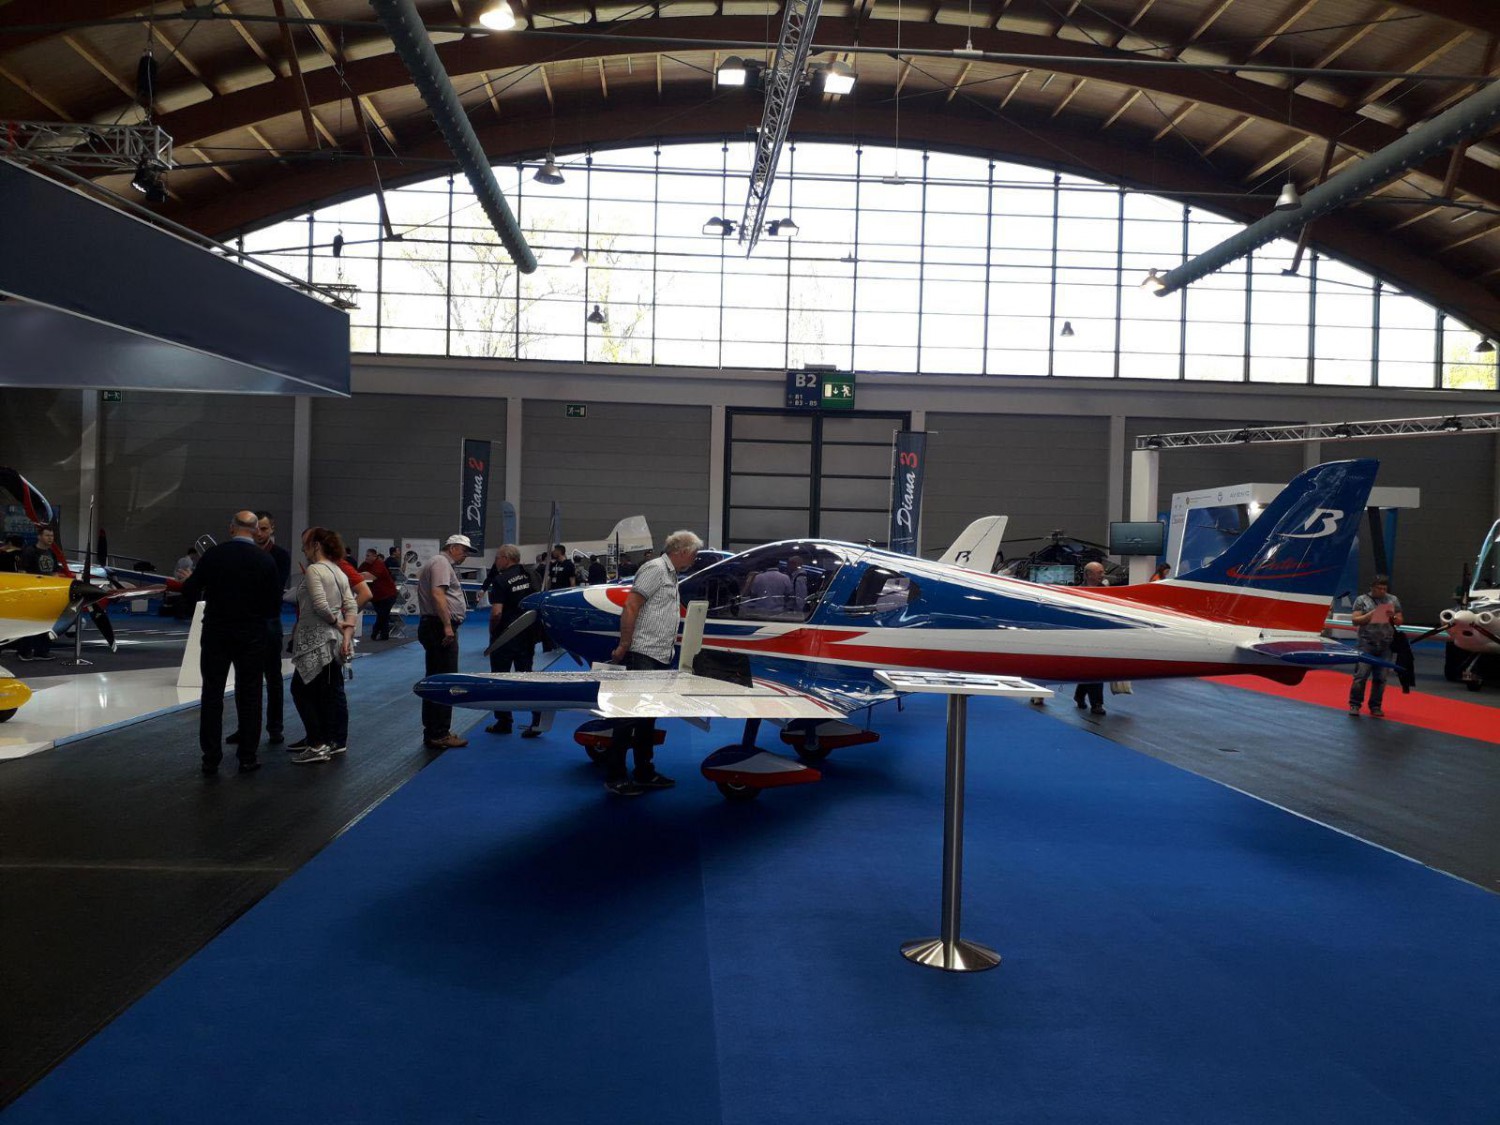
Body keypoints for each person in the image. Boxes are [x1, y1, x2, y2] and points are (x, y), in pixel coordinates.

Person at [179, 511, 282, 775]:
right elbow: (273, 605)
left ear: (232, 528)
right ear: (256, 530)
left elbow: (190, 590)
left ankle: (210, 757)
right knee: (250, 694)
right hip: (251, 634)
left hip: (217, 632)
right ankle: (247, 756)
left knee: (212, 694)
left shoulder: (214, 555)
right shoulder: (265, 560)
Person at [603, 530, 702, 796]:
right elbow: (631, 606)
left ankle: (644, 771)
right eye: (693, 554)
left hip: (659, 654)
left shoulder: (671, 573)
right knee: (629, 717)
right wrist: (624, 644)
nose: (694, 559)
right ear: (682, 551)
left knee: (647, 717)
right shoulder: (655, 569)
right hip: (643, 653)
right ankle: (615, 777)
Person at [287, 527, 358, 763]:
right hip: (334, 642)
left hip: (316, 641)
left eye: (306, 544)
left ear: (316, 545)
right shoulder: (338, 571)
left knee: (301, 691)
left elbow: (319, 605)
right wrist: (346, 635)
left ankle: (317, 744)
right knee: (326, 692)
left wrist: (337, 624)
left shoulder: (315, 570)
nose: (303, 549)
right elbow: (351, 606)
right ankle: (327, 740)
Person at [226, 511, 293, 750]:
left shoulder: (280, 555)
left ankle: (275, 727)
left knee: (273, 677)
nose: (260, 533)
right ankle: (244, 727)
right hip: (246, 621)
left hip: (269, 622)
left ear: (272, 529)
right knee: (244, 678)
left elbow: (275, 588)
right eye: (257, 529)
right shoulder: (243, 553)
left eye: (264, 529)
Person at [417, 534, 473, 750]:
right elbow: (438, 594)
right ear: (453, 548)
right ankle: (439, 733)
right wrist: (447, 625)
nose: (466, 555)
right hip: (439, 627)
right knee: (445, 680)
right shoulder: (441, 563)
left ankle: (434, 731)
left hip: (435, 626)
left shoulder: (439, 563)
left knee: (436, 678)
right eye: (464, 551)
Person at [484, 544, 541, 736]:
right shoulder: (531, 575)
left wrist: (493, 632)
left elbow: (496, 613)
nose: (496, 561)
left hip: (505, 637)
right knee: (527, 678)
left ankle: (504, 721)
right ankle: (537, 720)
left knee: (499, 679)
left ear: (506, 558)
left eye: (497, 558)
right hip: (527, 633)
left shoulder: (500, 580)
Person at [1349, 574, 1403, 718]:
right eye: (1379, 588)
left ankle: (1375, 706)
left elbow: (1399, 621)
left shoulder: (1393, 600)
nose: (1382, 591)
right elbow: (1355, 620)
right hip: (1366, 643)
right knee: (1361, 676)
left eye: (1384, 588)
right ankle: (1355, 704)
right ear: (1372, 588)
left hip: (1386, 644)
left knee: (1381, 678)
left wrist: (1393, 617)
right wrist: (1372, 614)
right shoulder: (1362, 600)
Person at [16, 527, 67, 661]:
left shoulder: (52, 554)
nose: (50, 538)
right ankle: (24, 651)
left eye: (52, 536)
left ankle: (42, 650)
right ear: (39, 536)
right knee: (29, 623)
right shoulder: (29, 551)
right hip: (32, 593)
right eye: (47, 535)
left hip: (46, 593)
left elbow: (54, 573)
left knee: (45, 623)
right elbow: (22, 572)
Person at [1072, 561, 1109, 716]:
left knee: (1094, 669)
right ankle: (1095, 703)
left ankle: (1085, 698)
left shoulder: (1108, 592)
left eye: (1102, 572)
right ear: (1088, 574)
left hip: (1100, 636)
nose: (1102, 575)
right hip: (1082, 636)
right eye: (1099, 572)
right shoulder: (1076, 592)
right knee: (1092, 669)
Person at [360, 548, 400, 640]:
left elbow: (372, 577)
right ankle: (384, 635)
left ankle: (375, 633)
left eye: (368, 556)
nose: (366, 557)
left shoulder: (378, 564)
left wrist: (362, 575)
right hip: (377, 596)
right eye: (366, 555)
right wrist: (362, 575)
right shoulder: (365, 564)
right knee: (383, 615)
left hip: (388, 594)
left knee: (382, 615)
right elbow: (357, 574)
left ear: (374, 556)